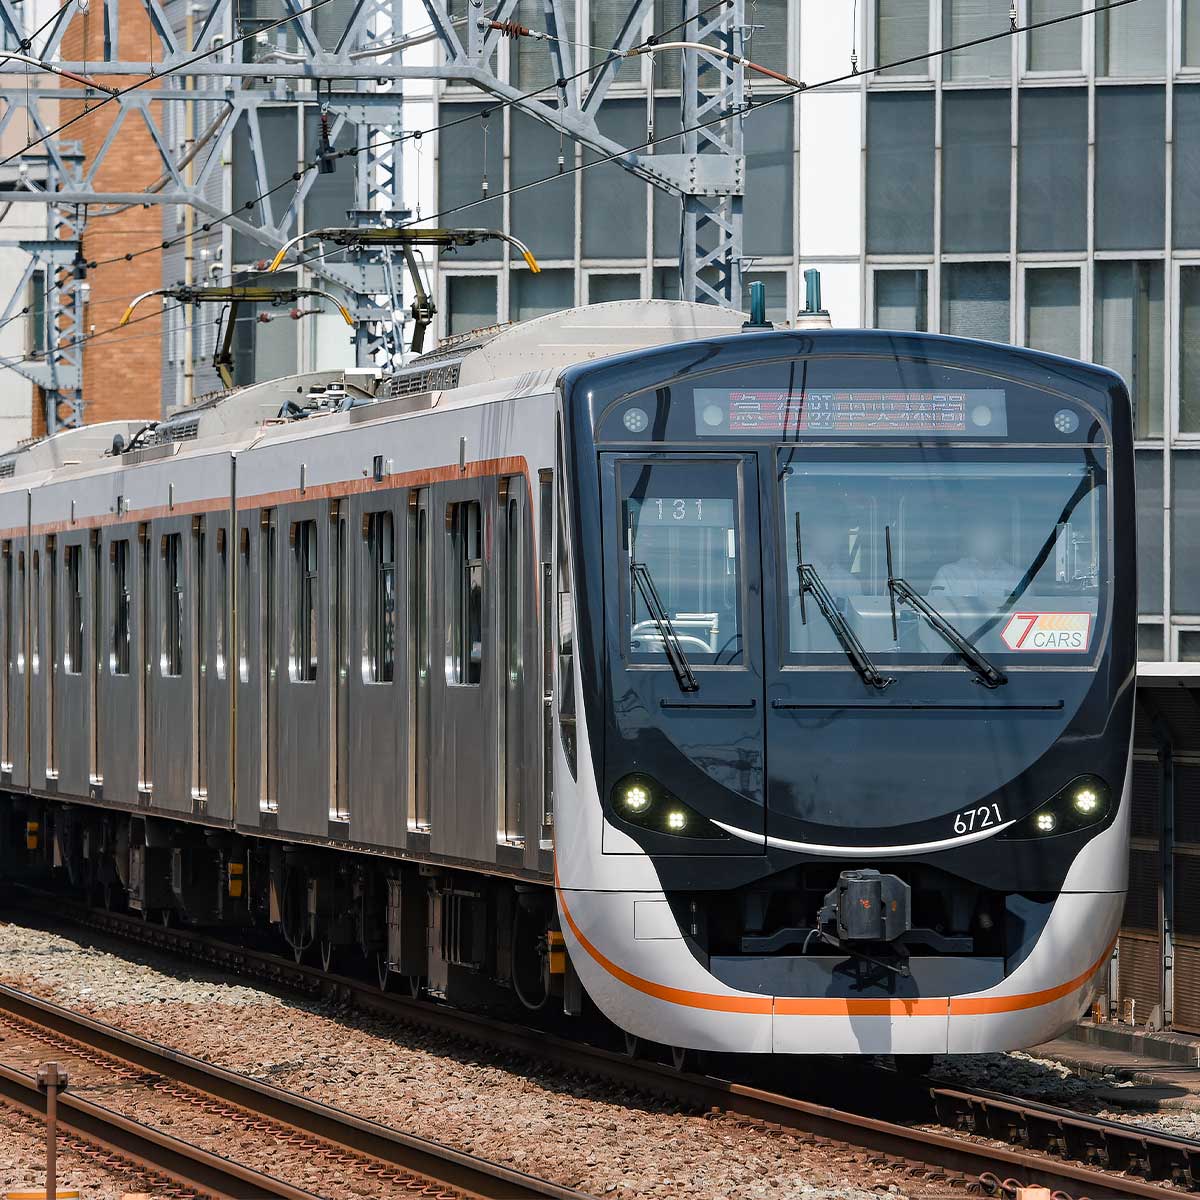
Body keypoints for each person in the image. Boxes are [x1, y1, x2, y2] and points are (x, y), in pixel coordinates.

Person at [928, 512, 1021, 608]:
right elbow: (937, 610)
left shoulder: (1018, 578)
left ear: (1001, 540)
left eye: (991, 534)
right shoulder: (948, 574)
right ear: (971, 539)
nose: (986, 540)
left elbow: (1026, 613)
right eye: (981, 535)